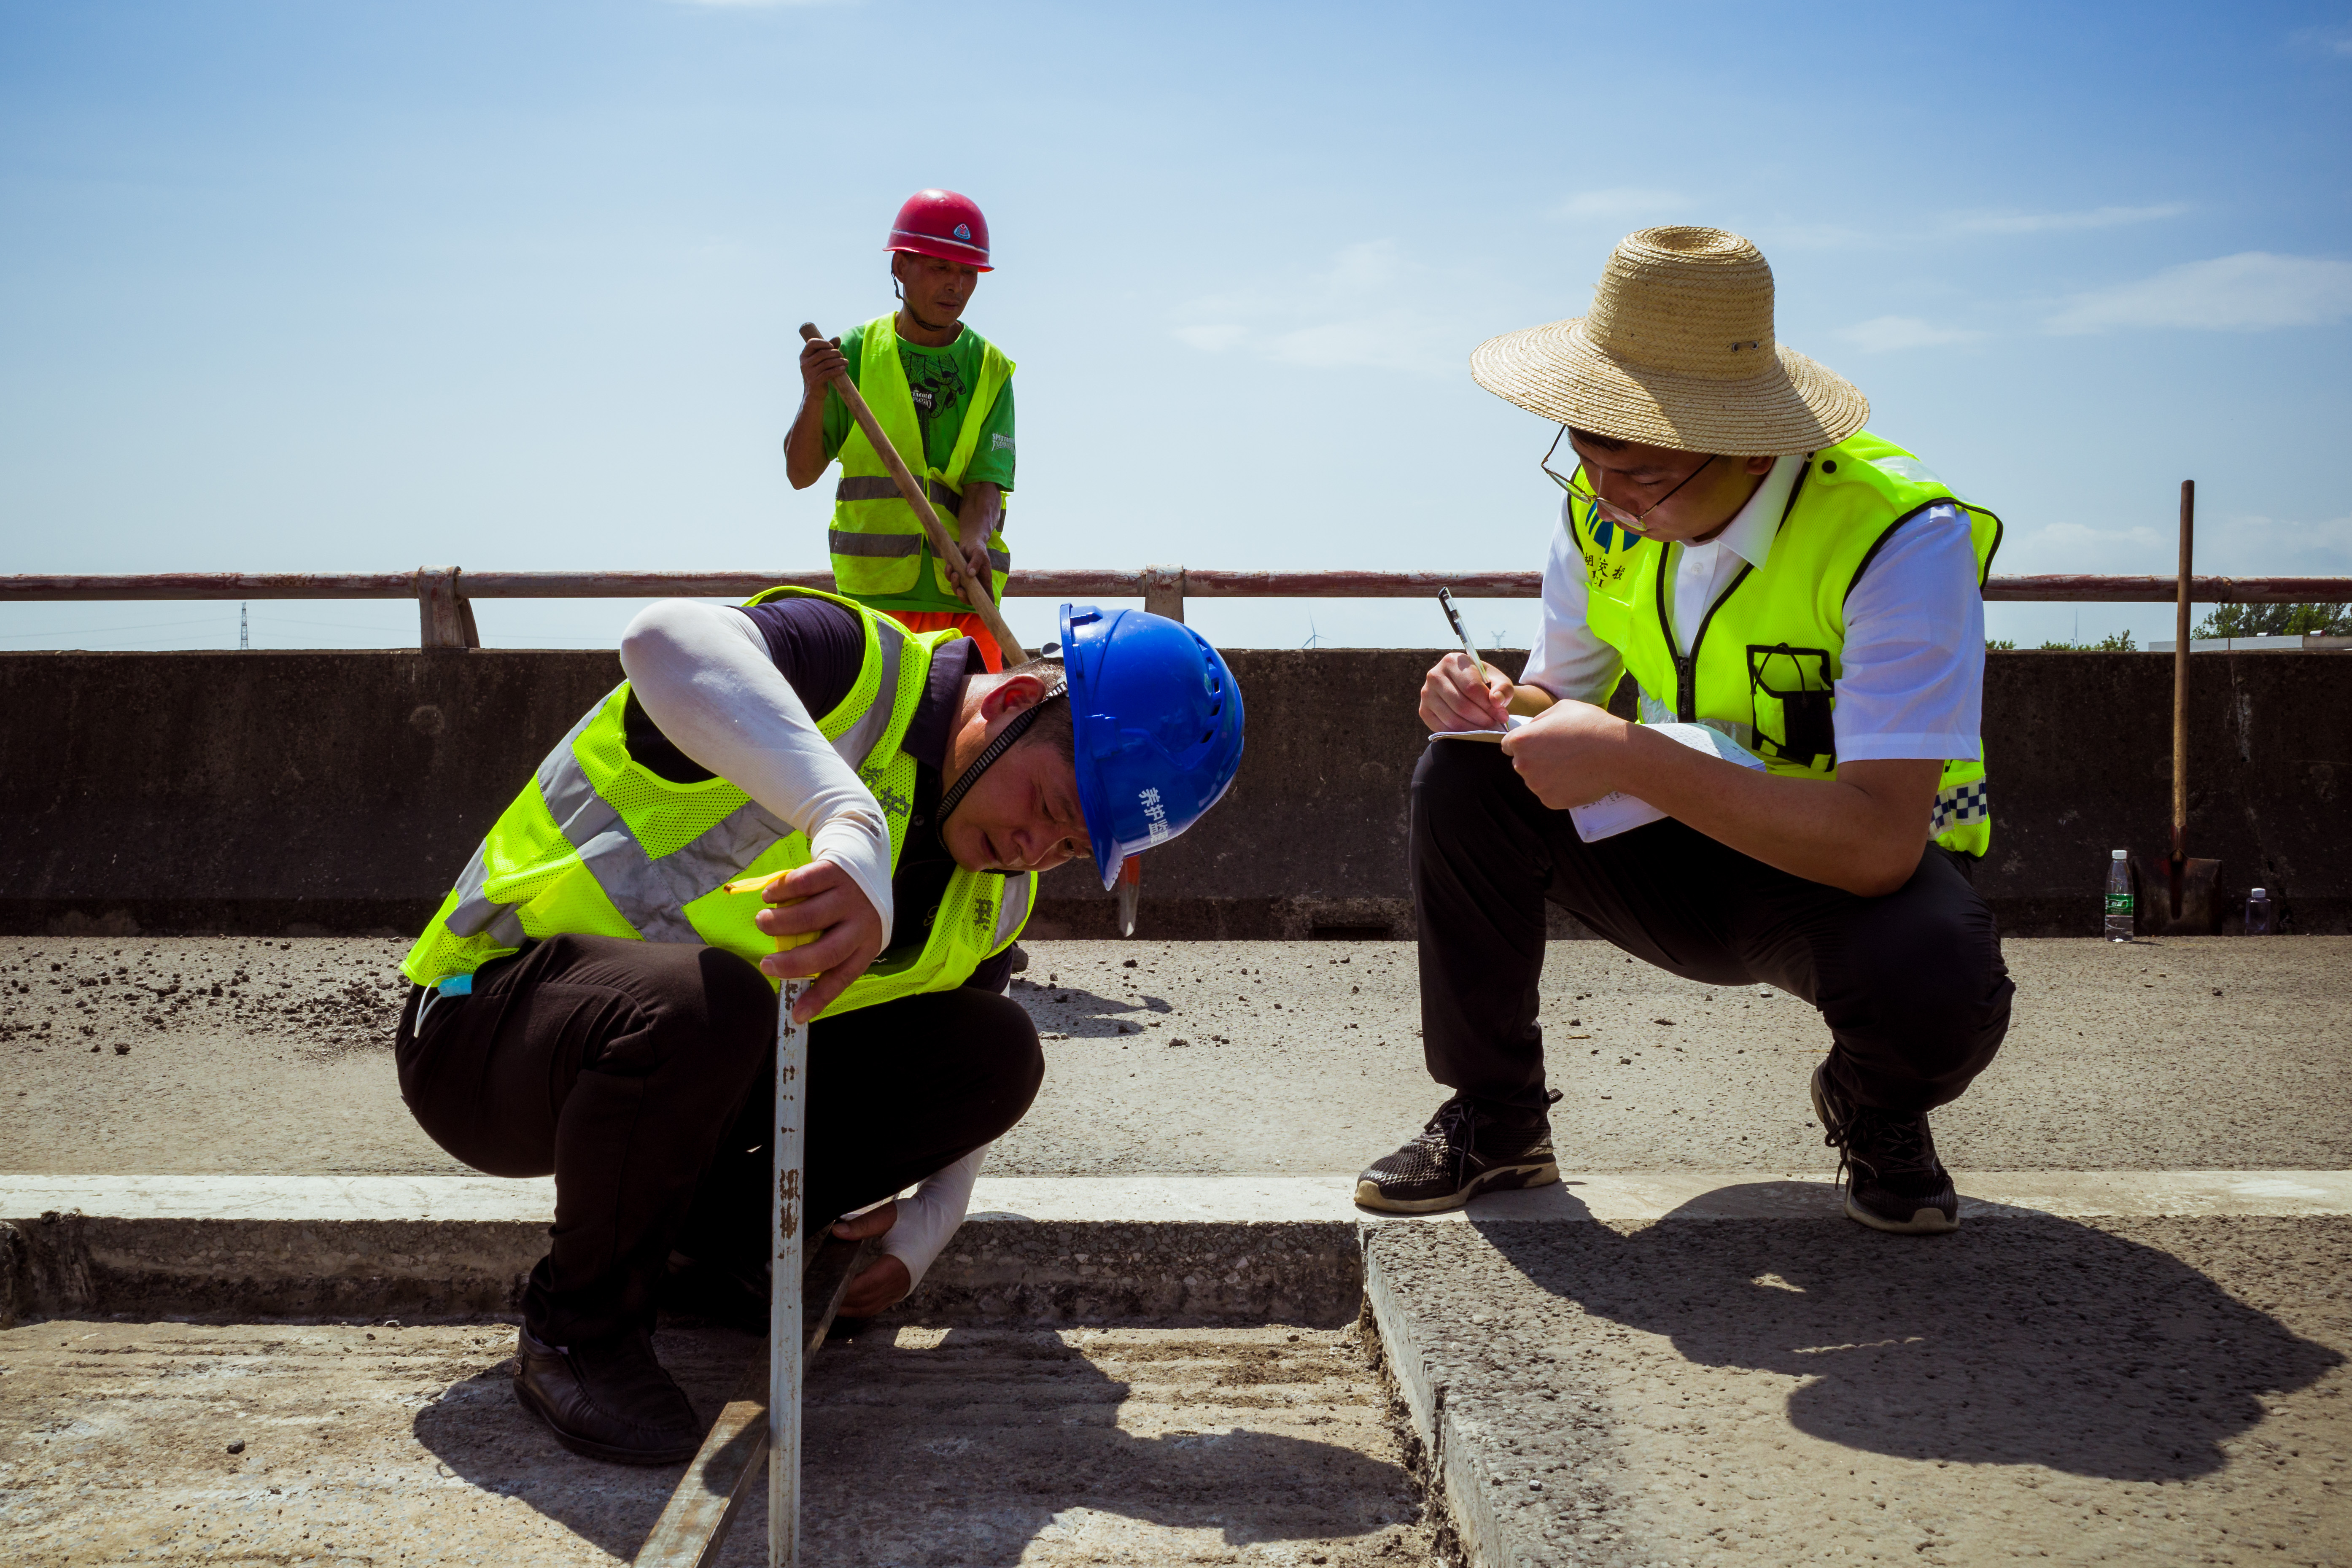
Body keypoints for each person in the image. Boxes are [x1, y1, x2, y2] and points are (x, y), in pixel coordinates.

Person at [394, 588, 1244, 1464]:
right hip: (482, 1023)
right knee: (712, 1002)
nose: (1033, 849)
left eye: (1070, 849)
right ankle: (577, 1329)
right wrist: (844, 817)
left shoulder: (996, 894)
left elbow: (962, 1045)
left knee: (995, 1052)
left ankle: (713, 1254)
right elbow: (658, 638)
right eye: (1052, 808)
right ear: (1013, 703)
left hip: (684, 1081)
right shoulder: (849, 672)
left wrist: (930, 1225)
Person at [1355, 226, 2014, 1236]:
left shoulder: (1899, 538)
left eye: (1635, 473)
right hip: (1679, 851)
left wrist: (1628, 756)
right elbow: (1553, 701)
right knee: (1463, 774)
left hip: (1842, 885)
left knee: (1938, 980)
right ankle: (1496, 1121)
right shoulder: (1601, 509)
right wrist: (1492, 703)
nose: (1602, 497)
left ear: (1751, 441)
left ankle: (1875, 1103)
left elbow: (1880, 845)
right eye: (1581, 455)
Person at [786, 189, 1019, 670]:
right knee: (878, 743)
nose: (956, 285)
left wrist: (975, 539)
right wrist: (815, 394)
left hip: (967, 598)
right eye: (940, 268)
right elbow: (800, 473)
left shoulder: (991, 368)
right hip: (874, 604)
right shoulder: (851, 355)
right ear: (900, 268)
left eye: (968, 272)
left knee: (979, 741)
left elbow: (986, 482)